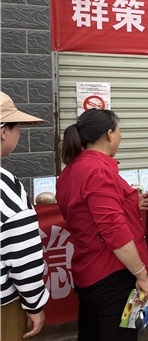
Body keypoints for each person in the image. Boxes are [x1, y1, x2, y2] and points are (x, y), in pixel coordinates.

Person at [56, 108, 148, 341]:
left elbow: (83, 213)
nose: (120, 136)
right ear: (109, 134)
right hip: (113, 274)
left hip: (88, 270)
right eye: (119, 130)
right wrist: (141, 275)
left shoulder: (71, 171)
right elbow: (113, 230)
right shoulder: (98, 171)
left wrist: (128, 203)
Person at [0, 92, 49, 340]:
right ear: (3, 132)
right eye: (17, 126)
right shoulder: (6, 186)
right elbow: (23, 257)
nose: (19, 133)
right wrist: (34, 304)